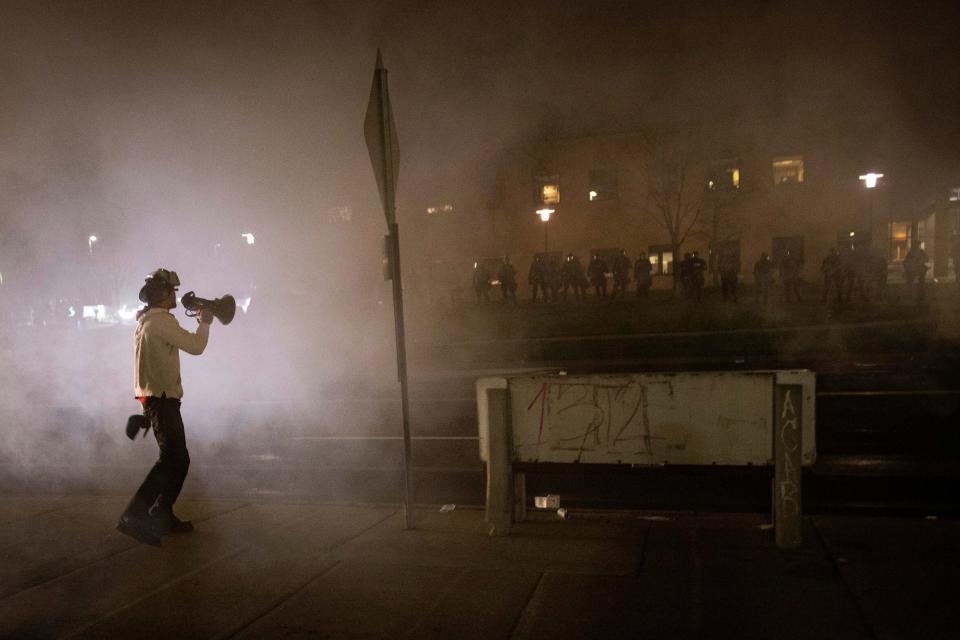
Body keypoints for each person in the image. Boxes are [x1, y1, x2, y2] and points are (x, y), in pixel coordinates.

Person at [117, 268, 213, 547]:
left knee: (177, 459)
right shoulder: (160, 322)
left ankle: (161, 513)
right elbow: (196, 347)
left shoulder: (149, 320)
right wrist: (205, 323)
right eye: (172, 290)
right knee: (172, 460)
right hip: (162, 399)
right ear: (161, 293)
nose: (175, 294)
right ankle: (134, 515)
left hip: (158, 398)